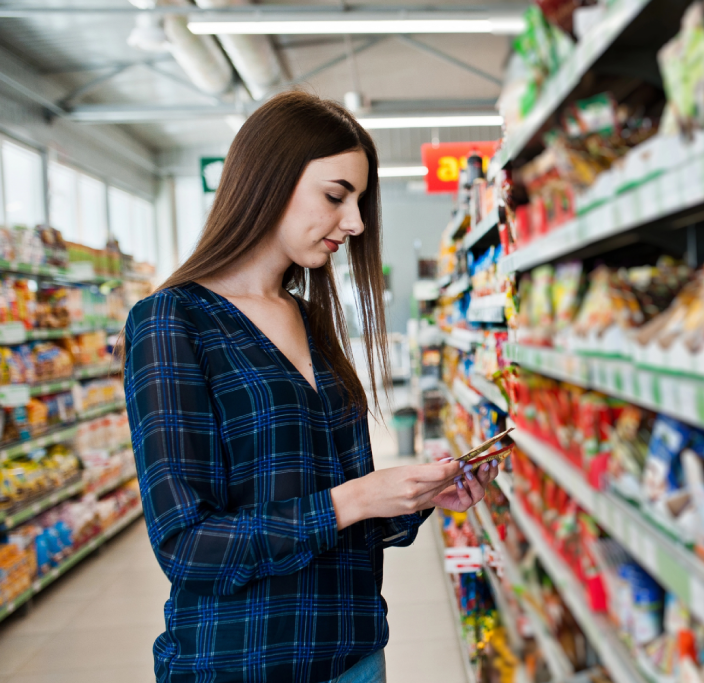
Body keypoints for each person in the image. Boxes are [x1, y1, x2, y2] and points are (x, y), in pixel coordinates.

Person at [122, 91, 499, 683]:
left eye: (359, 202)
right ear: (269, 179)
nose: (354, 223)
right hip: (240, 664)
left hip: (355, 655)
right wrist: (356, 499)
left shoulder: (312, 318)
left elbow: (332, 505)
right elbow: (187, 544)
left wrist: (417, 498)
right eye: (335, 196)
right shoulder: (173, 320)